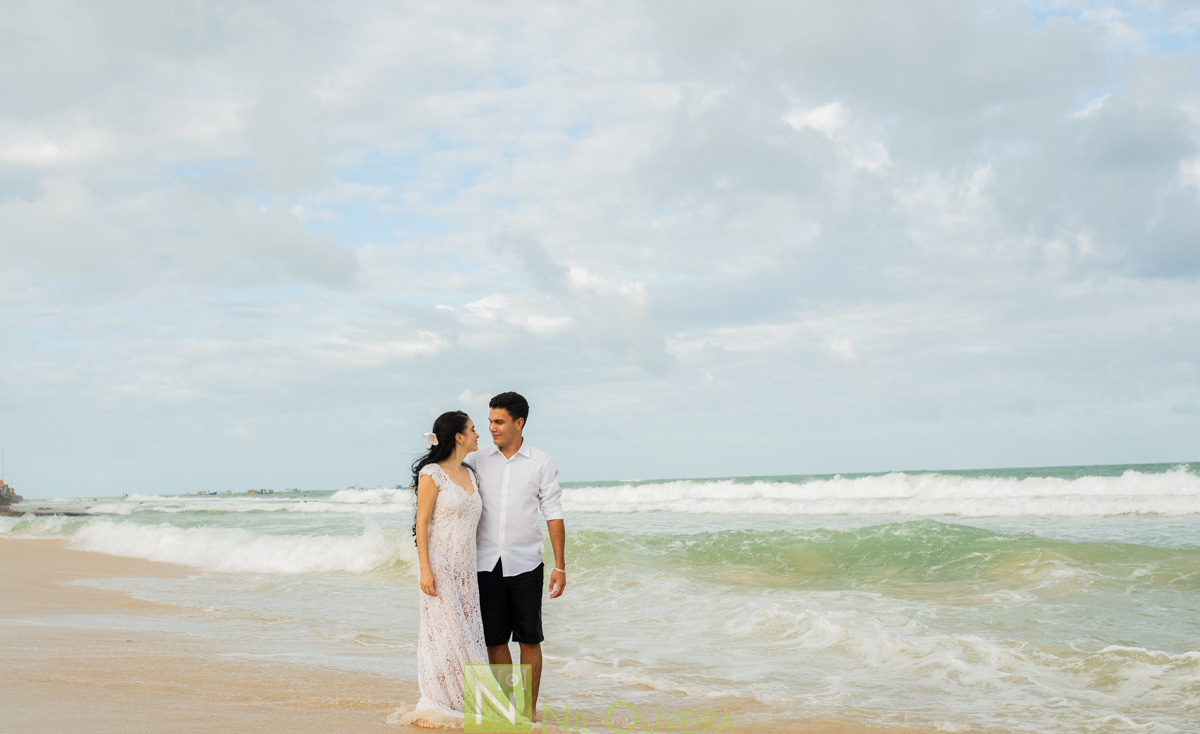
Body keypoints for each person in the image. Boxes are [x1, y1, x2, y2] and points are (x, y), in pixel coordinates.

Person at [466, 391, 566, 720]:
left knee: (529, 639)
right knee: (494, 640)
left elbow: (553, 513)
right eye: (490, 421)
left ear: (518, 423)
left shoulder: (541, 462)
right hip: (484, 564)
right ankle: (502, 710)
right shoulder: (478, 460)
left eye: (499, 422)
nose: (491, 428)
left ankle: (527, 710)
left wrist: (560, 566)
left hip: (526, 563)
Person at [396, 411, 488, 728]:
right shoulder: (431, 473)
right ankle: (438, 703)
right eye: (473, 430)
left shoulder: (471, 474)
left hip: (467, 572)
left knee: (468, 635)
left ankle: (464, 703)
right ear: (459, 436)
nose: (479, 434)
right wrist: (425, 569)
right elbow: (421, 522)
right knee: (447, 638)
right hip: (440, 566)